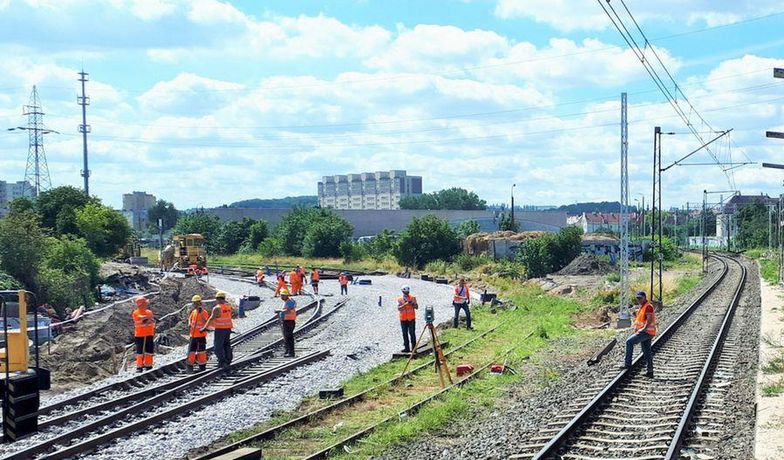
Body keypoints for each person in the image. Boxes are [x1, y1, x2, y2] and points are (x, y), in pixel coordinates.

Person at [621, 291, 657, 378]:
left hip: (646, 332)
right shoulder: (643, 307)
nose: (639, 300)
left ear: (645, 297)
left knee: (629, 342)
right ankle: (650, 371)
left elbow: (649, 319)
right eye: (638, 298)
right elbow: (641, 319)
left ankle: (627, 364)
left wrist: (644, 329)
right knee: (647, 352)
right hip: (648, 332)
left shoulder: (648, 306)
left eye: (640, 298)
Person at [201, 291, 234, 369]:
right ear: (224, 298)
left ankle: (222, 361)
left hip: (220, 330)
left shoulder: (217, 308)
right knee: (226, 345)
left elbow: (211, 318)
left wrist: (204, 327)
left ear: (217, 299)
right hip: (228, 329)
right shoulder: (228, 306)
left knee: (218, 347)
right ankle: (228, 360)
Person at [131, 296, 155, 373]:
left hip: (149, 334)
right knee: (140, 351)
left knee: (149, 350)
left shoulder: (149, 312)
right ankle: (139, 366)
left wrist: (146, 319)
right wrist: (145, 319)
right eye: (145, 303)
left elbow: (151, 320)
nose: (146, 305)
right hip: (140, 335)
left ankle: (148, 365)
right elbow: (139, 319)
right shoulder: (135, 313)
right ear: (141, 304)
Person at [187, 295, 210, 372]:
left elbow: (207, 322)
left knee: (201, 352)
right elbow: (190, 319)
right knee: (191, 352)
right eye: (194, 303)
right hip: (193, 335)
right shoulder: (193, 312)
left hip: (201, 335)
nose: (195, 305)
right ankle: (190, 366)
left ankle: (202, 366)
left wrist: (204, 328)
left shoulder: (204, 312)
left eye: (196, 303)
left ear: (200, 303)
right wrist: (189, 323)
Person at [397, 285, 419, 353]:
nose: (406, 293)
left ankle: (414, 349)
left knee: (412, 333)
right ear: (403, 291)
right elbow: (399, 308)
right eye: (405, 292)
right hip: (403, 319)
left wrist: (413, 304)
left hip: (411, 319)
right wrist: (405, 304)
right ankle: (406, 348)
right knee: (404, 334)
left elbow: (417, 307)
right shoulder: (399, 299)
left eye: (407, 292)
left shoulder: (413, 298)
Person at [277, 289, 297, 357]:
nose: (281, 297)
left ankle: (291, 353)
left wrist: (280, 311)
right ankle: (287, 351)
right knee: (286, 337)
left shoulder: (290, 302)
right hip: (286, 321)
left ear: (286, 295)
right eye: (281, 295)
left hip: (289, 321)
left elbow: (288, 310)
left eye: (283, 295)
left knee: (289, 337)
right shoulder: (286, 301)